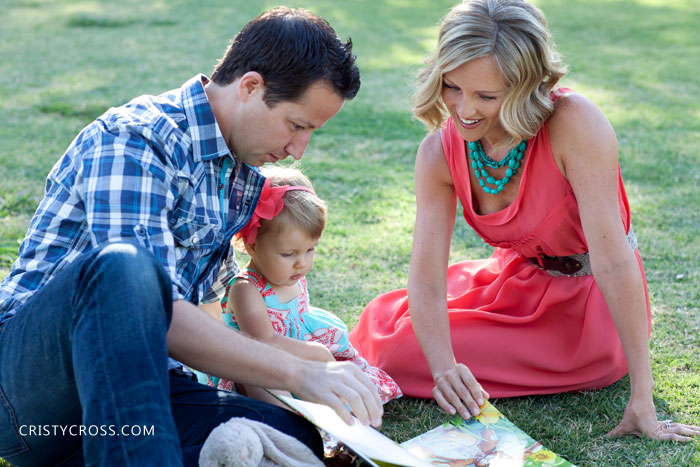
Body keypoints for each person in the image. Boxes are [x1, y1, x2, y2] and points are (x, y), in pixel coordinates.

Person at [0, 7, 383, 466]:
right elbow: (157, 314)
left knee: (286, 433)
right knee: (122, 267)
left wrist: (301, 391)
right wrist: (300, 372)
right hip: (29, 395)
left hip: (133, 399)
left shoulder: (240, 173)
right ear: (250, 87)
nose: (297, 151)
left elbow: (209, 320)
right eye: (297, 126)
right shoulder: (135, 139)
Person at [349, 0, 699, 443]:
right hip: (515, 283)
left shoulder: (575, 124)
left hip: (588, 313)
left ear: (526, 87)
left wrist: (643, 398)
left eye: (486, 96)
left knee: (395, 353)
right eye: (452, 86)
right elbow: (427, 277)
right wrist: (443, 370)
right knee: (387, 326)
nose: (463, 109)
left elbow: (613, 260)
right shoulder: (439, 152)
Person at [195, 166, 402, 406]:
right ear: (252, 246)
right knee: (264, 381)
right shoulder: (246, 288)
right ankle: (289, 414)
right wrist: (318, 353)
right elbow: (263, 342)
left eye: (310, 250)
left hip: (301, 350)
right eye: (288, 254)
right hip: (260, 361)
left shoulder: (290, 274)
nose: (301, 263)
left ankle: (334, 403)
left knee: (346, 380)